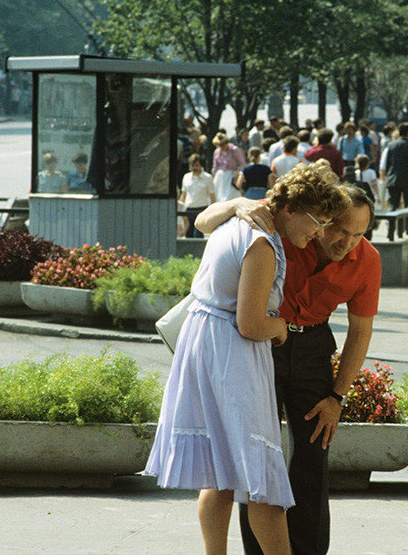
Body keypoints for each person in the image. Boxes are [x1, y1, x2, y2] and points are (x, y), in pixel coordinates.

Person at [146, 162, 349, 555]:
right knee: (262, 477)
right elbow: (251, 323)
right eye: (317, 221)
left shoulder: (239, 222)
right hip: (232, 356)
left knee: (220, 475)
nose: (320, 232)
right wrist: (281, 327)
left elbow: (203, 222)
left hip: (204, 345)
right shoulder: (262, 243)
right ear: (290, 210)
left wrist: (236, 202)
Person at [195, 185, 381, 555]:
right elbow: (202, 221)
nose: (347, 242)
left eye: (359, 234)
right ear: (323, 216)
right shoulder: (292, 224)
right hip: (263, 343)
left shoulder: (368, 259)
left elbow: (361, 331)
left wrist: (336, 397)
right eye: (339, 230)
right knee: (258, 452)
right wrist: (236, 203)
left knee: (315, 449)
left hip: (312, 348)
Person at [381, 123, 408, 210]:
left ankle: (392, 223)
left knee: (393, 205)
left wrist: (388, 176)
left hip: (393, 179)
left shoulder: (391, 145)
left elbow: (388, 163)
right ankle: (406, 223)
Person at [178, 156, 215, 238]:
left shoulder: (208, 178)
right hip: (188, 211)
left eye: (196, 165)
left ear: (201, 166)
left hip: (201, 211)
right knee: (188, 236)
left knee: (198, 235)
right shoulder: (186, 177)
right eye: (192, 165)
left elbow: (212, 196)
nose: (194, 168)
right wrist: (180, 210)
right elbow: (183, 195)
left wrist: (213, 211)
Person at [213, 132, 247, 202]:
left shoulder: (234, 150)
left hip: (231, 175)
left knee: (230, 197)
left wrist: (236, 175)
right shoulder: (217, 152)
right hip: (220, 177)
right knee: (218, 197)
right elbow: (215, 166)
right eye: (219, 145)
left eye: (223, 144)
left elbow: (242, 164)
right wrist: (213, 176)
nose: (221, 147)